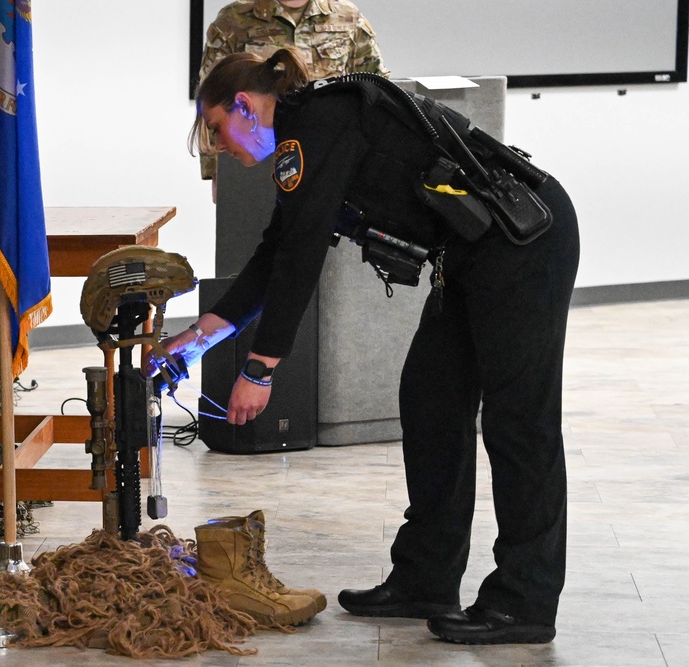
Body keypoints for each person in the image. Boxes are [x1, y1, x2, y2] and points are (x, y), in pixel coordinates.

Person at [156, 48, 580, 645]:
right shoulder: (306, 135)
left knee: (520, 423)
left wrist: (260, 367)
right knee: (431, 401)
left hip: (524, 243)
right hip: (474, 256)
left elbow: (302, 251)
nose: (218, 146)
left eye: (217, 129)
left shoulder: (318, 125)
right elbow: (280, 246)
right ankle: (425, 579)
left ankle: (525, 600)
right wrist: (205, 332)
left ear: (245, 106)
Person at [198, 0, 388, 186]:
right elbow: (211, 100)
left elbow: (377, 91)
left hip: (331, 163)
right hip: (255, 168)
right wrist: (216, 172)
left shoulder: (348, 17)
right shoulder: (234, 20)